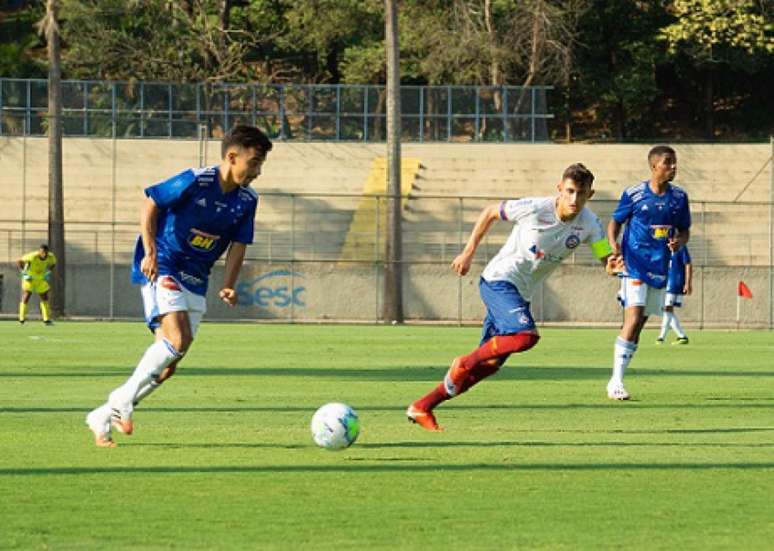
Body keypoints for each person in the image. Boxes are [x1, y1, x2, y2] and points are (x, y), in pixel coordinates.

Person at [86, 125, 273, 448]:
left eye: (260, 165)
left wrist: (228, 284)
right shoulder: (195, 180)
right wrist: (151, 252)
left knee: (169, 365)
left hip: (197, 277)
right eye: (254, 163)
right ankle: (121, 399)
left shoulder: (246, 200)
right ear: (232, 157)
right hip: (165, 264)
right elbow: (150, 202)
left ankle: (101, 415)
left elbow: (239, 245)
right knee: (177, 338)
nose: (257, 171)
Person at [406, 163, 619, 431]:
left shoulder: (589, 223)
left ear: (591, 194)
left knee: (490, 364)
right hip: (499, 280)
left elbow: (603, 253)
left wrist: (610, 264)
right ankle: (464, 361)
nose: (574, 199)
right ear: (560, 189)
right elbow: (490, 212)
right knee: (525, 336)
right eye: (570, 191)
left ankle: (423, 406)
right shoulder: (535, 208)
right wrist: (468, 252)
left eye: (581, 193)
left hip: (521, 293)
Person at [606, 145, 691, 400]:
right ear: (654, 166)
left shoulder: (679, 198)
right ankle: (616, 381)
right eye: (668, 162)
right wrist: (613, 246)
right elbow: (614, 222)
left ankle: (618, 375)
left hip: (660, 267)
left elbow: (684, 229)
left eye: (675, 162)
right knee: (632, 320)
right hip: (634, 266)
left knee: (639, 325)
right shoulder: (634, 194)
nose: (673, 167)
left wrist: (681, 242)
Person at [657, 245, 692, 345]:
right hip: (667, 281)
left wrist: (687, 283)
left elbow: (688, 264)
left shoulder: (681, 247)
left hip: (674, 282)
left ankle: (662, 337)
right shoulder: (663, 246)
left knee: (667, 308)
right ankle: (680, 336)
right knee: (667, 309)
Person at [17, 243, 57, 325]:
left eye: (45, 252)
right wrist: (24, 273)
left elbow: (53, 264)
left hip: (41, 278)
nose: (43, 254)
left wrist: (48, 272)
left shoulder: (51, 257)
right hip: (30, 278)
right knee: (26, 295)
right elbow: (19, 261)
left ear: (47, 252)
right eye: (42, 252)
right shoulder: (32, 256)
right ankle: (22, 320)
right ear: (39, 251)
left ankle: (46, 320)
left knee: (44, 297)